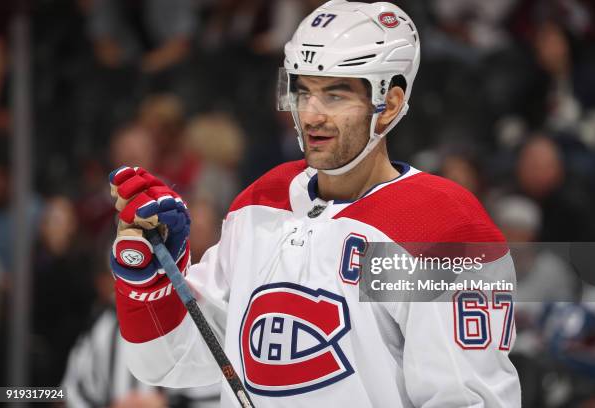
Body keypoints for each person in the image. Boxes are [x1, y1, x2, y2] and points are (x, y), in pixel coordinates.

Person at [108, 1, 521, 406]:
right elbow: (172, 363)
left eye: (335, 95)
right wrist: (152, 280)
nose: (312, 115)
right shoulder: (262, 203)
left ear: (389, 103)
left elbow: (468, 401)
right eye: (303, 92)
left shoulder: (435, 226)